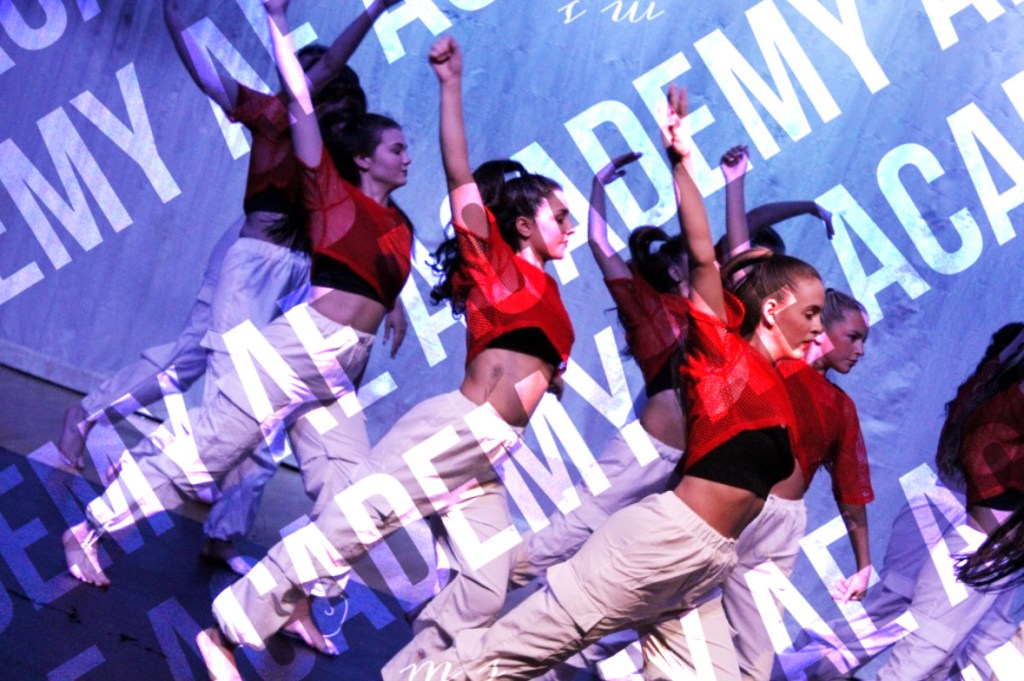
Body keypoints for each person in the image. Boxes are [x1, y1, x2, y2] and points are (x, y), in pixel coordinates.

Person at [194, 34, 576, 678]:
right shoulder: (493, 261)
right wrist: (450, 85)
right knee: (352, 525)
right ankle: (228, 630)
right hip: (457, 430)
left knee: (485, 586)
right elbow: (460, 171)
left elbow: (538, 365)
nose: (570, 226)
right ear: (521, 224)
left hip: (491, 455)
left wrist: (544, 376)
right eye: (559, 215)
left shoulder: (552, 293)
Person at [428, 83, 825, 680]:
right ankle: (459, 613)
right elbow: (706, 254)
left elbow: (738, 248)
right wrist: (682, 162)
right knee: (512, 645)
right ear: (771, 308)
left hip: (703, 563)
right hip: (662, 532)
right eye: (812, 313)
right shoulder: (715, 342)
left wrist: (762, 194)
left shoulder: (777, 378)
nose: (818, 327)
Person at [61, 0, 412, 606]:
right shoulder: (280, 118)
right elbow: (239, 77)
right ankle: (110, 438)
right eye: (315, 80)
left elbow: (371, 235)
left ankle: (226, 535)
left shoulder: (341, 154)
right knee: (208, 373)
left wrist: (391, 298)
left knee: (271, 421)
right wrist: (179, 23)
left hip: (309, 273)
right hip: (255, 256)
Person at [716, 288, 874, 680]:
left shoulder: (840, 406)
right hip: (724, 500)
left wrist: (864, 564)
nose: (860, 351)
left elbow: (851, 491)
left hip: (778, 528)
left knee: (754, 652)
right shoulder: (767, 364)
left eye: (863, 341)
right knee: (661, 601)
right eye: (853, 337)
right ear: (821, 328)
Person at [872, 325, 1024, 680]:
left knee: (977, 657)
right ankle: (794, 670)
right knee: (920, 645)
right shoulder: (995, 414)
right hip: (972, 537)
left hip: (1003, 556)